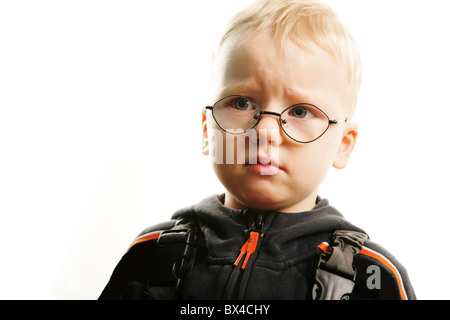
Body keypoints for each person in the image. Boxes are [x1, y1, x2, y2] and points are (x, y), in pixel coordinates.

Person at [99, 0, 415, 300]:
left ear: (343, 145)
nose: (264, 132)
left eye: (301, 112)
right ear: (208, 130)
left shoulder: (372, 276)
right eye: (241, 103)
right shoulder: (150, 255)